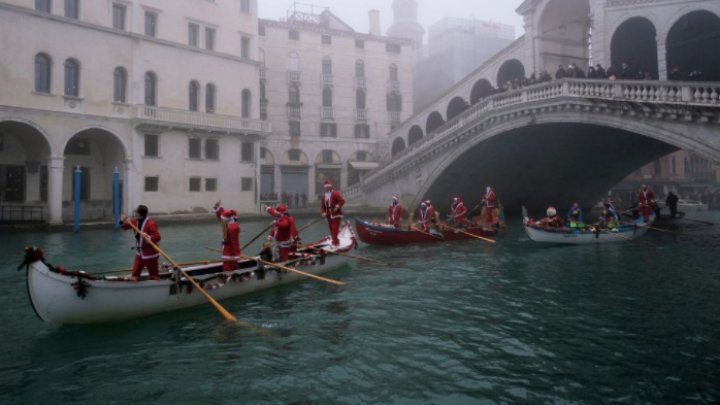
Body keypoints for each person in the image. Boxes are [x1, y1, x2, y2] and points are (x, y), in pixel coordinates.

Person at [120, 204, 161, 281]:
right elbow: (124, 227)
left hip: (150, 254)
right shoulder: (135, 221)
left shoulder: (150, 224)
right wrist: (122, 220)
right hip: (139, 253)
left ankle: (155, 285)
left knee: (153, 275)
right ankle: (135, 281)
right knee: (135, 273)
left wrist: (148, 237)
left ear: (139, 214)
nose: (134, 213)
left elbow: (158, 236)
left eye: (136, 211)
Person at [213, 201, 240, 271]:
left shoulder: (232, 228)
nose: (221, 220)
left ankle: (232, 275)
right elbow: (221, 215)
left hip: (230, 251)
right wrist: (217, 207)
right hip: (226, 249)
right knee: (228, 265)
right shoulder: (226, 222)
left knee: (229, 266)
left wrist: (236, 254)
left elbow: (235, 242)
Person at [320, 180, 345, 246]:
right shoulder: (324, 196)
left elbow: (342, 201)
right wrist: (323, 212)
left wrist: (337, 207)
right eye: (326, 187)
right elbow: (322, 206)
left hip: (336, 214)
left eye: (328, 187)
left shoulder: (335, 193)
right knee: (331, 228)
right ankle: (334, 239)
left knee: (334, 228)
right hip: (328, 214)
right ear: (325, 188)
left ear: (330, 187)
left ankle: (335, 242)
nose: (327, 188)